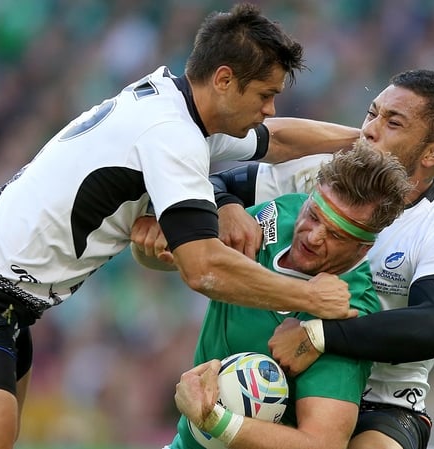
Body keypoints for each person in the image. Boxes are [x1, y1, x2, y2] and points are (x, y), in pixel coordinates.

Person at [0, 4, 365, 449]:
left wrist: (367, 140)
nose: (269, 108)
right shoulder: (172, 136)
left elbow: (280, 139)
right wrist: (308, 296)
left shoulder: (173, 102)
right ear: (224, 79)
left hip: (5, 294)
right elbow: (203, 269)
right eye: (265, 94)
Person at [133, 69, 434, 449]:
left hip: (381, 403)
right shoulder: (320, 176)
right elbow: (217, 181)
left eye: (393, 122)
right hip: (288, 374)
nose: (369, 129)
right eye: (371, 114)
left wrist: (319, 336)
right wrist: (228, 206)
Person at [163, 143, 413, 449]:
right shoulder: (279, 214)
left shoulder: (346, 317)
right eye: (314, 215)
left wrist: (215, 420)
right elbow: (188, 258)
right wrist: (218, 209)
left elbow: (322, 444)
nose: (313, 235)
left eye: (337, 235)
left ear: (364, 249)